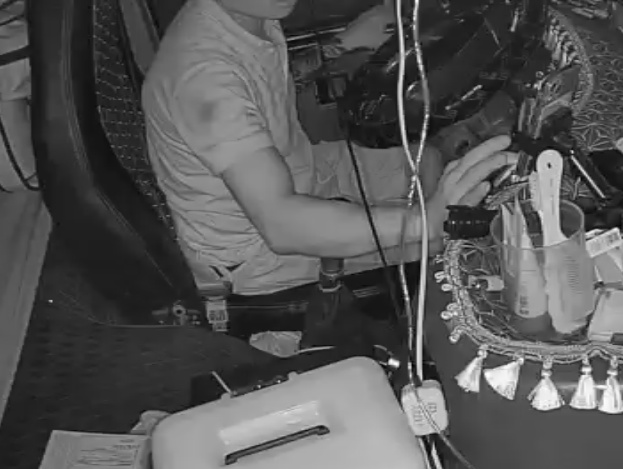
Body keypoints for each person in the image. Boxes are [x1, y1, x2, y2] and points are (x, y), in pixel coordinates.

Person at [143, 0, 516, 295]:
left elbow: (265, 77)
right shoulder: (204, 80)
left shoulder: (246, 14)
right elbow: (281, 226)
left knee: (427, 160)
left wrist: (343, 44)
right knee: (441, 240)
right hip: (257, 254)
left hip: (299, 171)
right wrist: (425, 220)